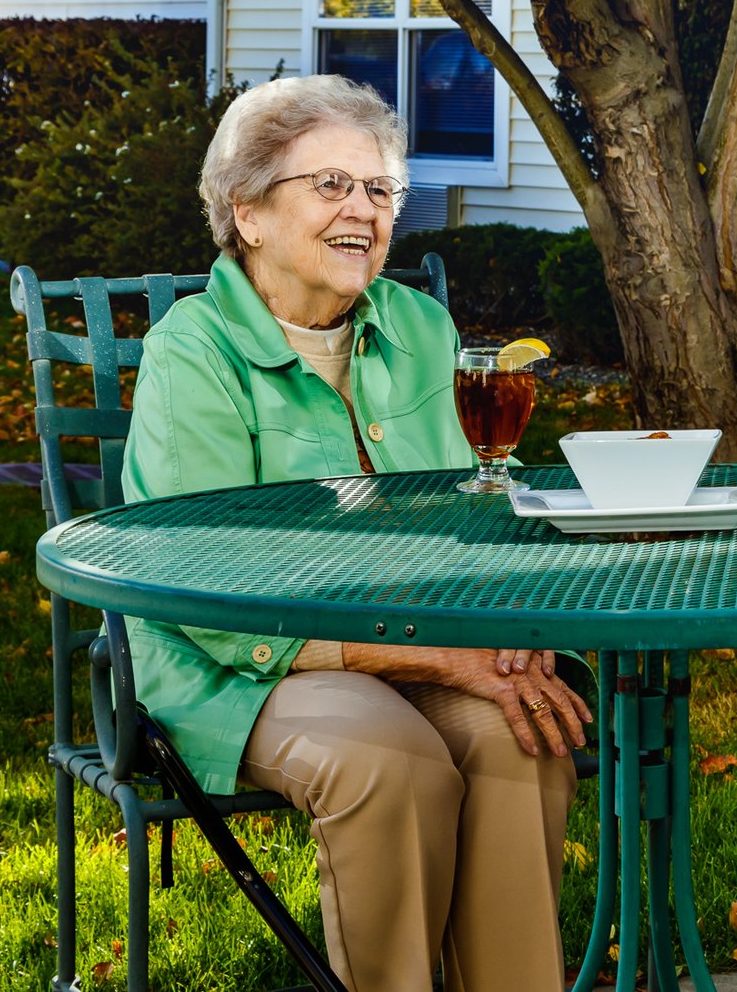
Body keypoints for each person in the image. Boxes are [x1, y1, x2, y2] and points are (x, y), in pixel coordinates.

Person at [121, 75, 591, 992]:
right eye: (330, 185)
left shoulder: (418, 325)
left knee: (518, 736)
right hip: (243, 655)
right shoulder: (193, 351)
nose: (363, 211)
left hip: (420, 640)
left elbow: (473, 502)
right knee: (392, 764)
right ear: (247, 213)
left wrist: (507, 624)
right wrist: (439, 655)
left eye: (378, 190)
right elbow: (212, 590)